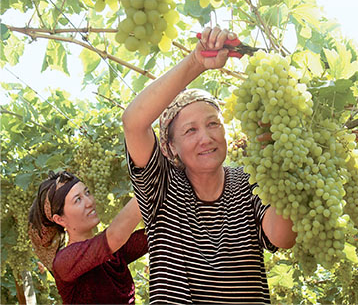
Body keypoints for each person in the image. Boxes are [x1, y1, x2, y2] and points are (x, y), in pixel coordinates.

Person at [122, 26, 297, 304]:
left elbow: (283, 236)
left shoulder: (248, 181)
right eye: (190, 131)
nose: (206, 137)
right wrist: (196, 62)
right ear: (170, 147)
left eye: (213, 124)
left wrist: (278, 153)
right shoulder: (162, 188)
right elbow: (133, 122)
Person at [28, 170, 148, 304]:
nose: (89, 202)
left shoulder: (114, 252)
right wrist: (149, 186)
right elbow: (115, 236)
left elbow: (153, 236)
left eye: (87, 193)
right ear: (60, 219)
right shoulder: (64, 261)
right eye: (78, 199)